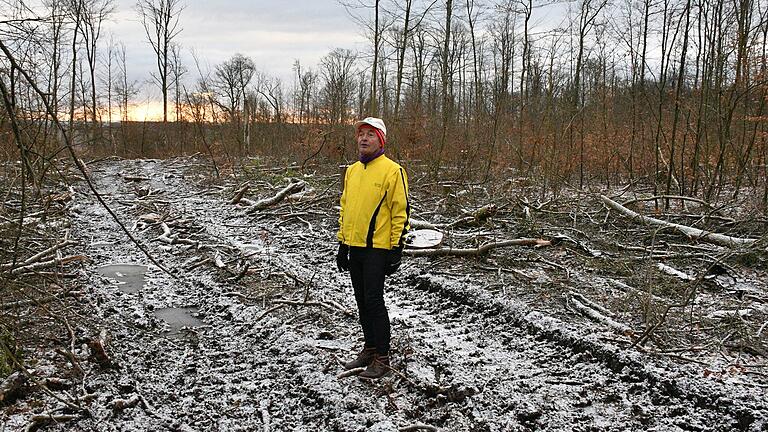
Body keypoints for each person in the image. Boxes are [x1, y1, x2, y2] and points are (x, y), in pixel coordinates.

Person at [336, 117, 410, 379]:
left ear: (381, 140)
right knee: (361, 301)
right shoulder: (353, 171)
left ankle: (383, 358)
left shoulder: (393, 171)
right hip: (354, 247)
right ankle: (369, 348)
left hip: (378, 249)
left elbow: (400, 212)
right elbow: (346, 209)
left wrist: (396, 248)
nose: (364, 138)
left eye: (370, 134)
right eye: (361, 134)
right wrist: (342, 244)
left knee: (374, 301)